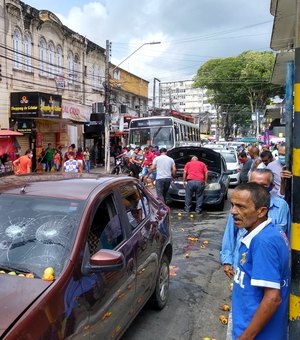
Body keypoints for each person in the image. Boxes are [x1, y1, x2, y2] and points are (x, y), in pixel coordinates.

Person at [230, 182, 290, 340]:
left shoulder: (263, 242)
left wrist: (245, 337)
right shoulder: (257, 236)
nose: (233, 212)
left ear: (261, 211)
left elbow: (273, 298)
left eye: (241, 207)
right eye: (232, 205)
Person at [221, 168, 291, 275]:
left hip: (269, 266)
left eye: (263, 186)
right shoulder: (238, 206)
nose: (258, 189)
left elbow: (286, 238)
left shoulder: (281, 206)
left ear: (271, 186)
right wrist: (227, 261)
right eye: (253, 185)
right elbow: (230, 234)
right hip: (241, 265)